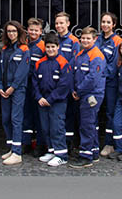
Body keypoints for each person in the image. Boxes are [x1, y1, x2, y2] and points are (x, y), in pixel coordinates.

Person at [33, 33, 72, 167]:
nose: (50, 49)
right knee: (46, 127)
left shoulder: (63, 63)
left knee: (57, 127)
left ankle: (61, 155)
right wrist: (39, 97)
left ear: (58, 47)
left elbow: (64, 85)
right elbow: (35, 83)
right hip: (42, 101)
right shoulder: (39, 63)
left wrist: (50, 99)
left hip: (57, 102)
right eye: (48, 47)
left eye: (53, 47)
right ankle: (51, 150)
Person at [69, 27, 106, 168]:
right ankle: (94, 151)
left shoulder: (96, 56)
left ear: (95, 39)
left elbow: (92, 78)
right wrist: (74, 89)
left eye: (88, 38)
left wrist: (78, 90)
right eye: (83, 38)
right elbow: (73, 73)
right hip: (82, 94)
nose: (84, 41)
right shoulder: (80, 55)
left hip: (92, 95)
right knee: (90, 124)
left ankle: (86, 156)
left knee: (87, 125)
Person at [0, 21, 30, 165]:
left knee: (16, 119)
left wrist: (13, 87)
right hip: (4, 89)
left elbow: (22, 72)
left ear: (19, 32)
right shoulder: (5, 49)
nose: (11, 34)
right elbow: (0, 69)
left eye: (14, 31)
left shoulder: (24, 49)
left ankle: (17, 152)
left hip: (17, 90)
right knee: (6, 119)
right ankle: (11, 147)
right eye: (9, 31)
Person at [96, 12, 122, 157]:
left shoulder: (118, 41)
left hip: (110, 83)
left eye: (108, 22)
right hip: (96, 83)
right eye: (103, 22)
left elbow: (114, 64)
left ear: (113, 25)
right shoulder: (97, 40)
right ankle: (93, 143)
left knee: (110, 113)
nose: (105, 25)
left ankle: (109, 143)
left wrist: (102, 75)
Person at [54, 12, 80, 145]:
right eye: (57, 23)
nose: (59, 26)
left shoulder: (74, 41)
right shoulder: (54, 40)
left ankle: (69, 143)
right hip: (55, 82)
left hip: (68, 83)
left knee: (69, 114)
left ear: (68, 24)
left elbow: (74, 63)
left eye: (61, 23)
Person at [23, 18, 46, 156]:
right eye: (31, 30)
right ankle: (26, 142)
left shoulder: (43, 46)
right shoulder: (24, 44)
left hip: (37, 85)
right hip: (25, 84)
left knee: (39, 116)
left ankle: (39, 144)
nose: (33, 32)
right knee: (26, 114)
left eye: (36, 30)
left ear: (41, 32)